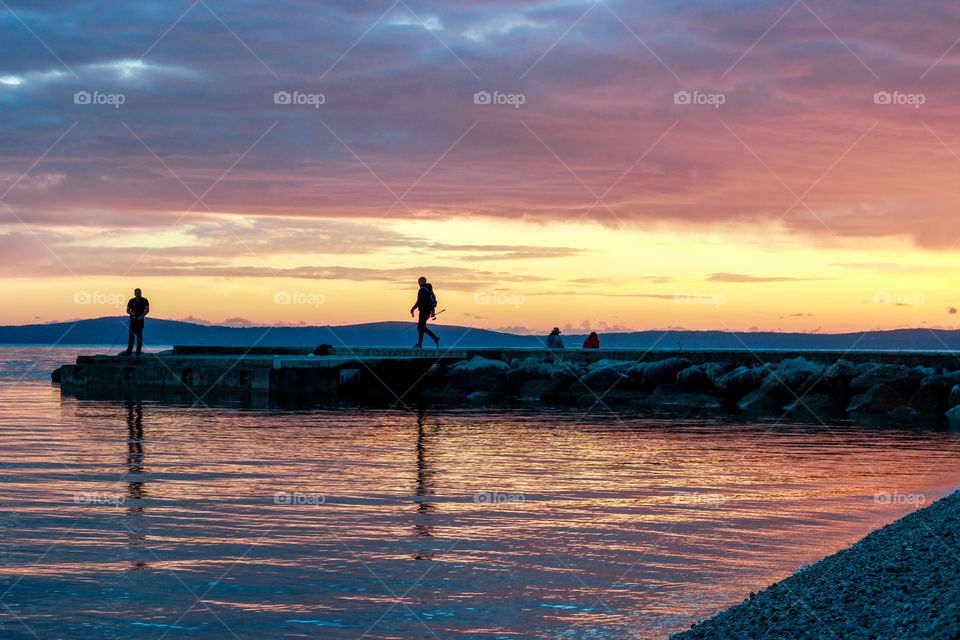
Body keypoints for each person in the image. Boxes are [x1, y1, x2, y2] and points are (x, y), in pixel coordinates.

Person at [410, 277, 439, 348]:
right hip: (427, 311)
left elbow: (419, 301)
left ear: (423, 281)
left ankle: (421, 343)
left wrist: (413, 309)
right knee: (421, 327)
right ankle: (434, 338)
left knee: (420, 327)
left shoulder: (422, 290)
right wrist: (432, 312)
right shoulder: (429, 290)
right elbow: (431, 300)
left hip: (423, 311)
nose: (418, 283)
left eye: (419, 281)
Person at [124, 288, 149, 356]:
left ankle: (138, 352)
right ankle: (129, 351)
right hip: (133, 320)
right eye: (137, 293)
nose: (138, 294)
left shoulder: (144, 300)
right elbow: (127, 310)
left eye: (139, 293)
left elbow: (147, 310)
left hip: (140, 321)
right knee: (131, 336)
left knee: (139, 336)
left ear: (141, 293)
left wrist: (142, 316)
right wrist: (131, 313)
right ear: (134, 294)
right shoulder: (131, 301)